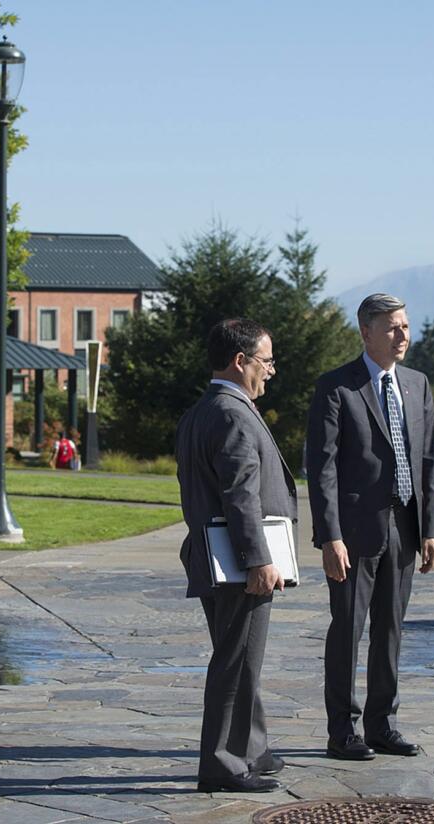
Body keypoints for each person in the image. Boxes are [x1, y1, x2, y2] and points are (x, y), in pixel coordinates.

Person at [306, 293, 434, 762]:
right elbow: (320, 468)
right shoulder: (336, 387)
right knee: (348, 629)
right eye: (391, 327)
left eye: (405, 325)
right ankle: (342, 731)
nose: (402, 335)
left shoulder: (418, 385)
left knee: (391, 630)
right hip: (354, 532)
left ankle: (383, 725)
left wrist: (431, 530)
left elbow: (428, 462)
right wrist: (330, 536)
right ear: (366, 332)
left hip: (405, 527)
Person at [176, 318, 297, 793]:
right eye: (266, 361)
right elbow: (239, 495)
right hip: (238, 561)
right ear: (240, 361)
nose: (271, 370)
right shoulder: (232, 413)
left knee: (242, 657)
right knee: (236, 660)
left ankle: (252, 748)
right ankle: (222, 764)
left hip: (214, 555)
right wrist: (258, 560)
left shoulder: (201, 411)